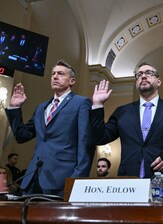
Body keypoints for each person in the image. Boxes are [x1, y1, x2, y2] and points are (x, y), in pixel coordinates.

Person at [90, 62, 163, 179]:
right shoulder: (122, 112)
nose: (143, 76)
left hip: (162, 180)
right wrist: (97, 105)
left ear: (159, 81)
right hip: (128, 182)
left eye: (149, 73)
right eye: (139, 74)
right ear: (136, 83)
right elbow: (99, 138)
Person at [5, 59, 95, 197]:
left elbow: (86, 143)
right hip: (32, 178)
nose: (55, 76)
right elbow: (22, 136)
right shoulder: (41, 107)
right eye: (53, 74)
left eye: (60, 74)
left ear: (72, 81)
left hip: (61, 179)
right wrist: (15, 107)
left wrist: (76, 179)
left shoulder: (81, 103)